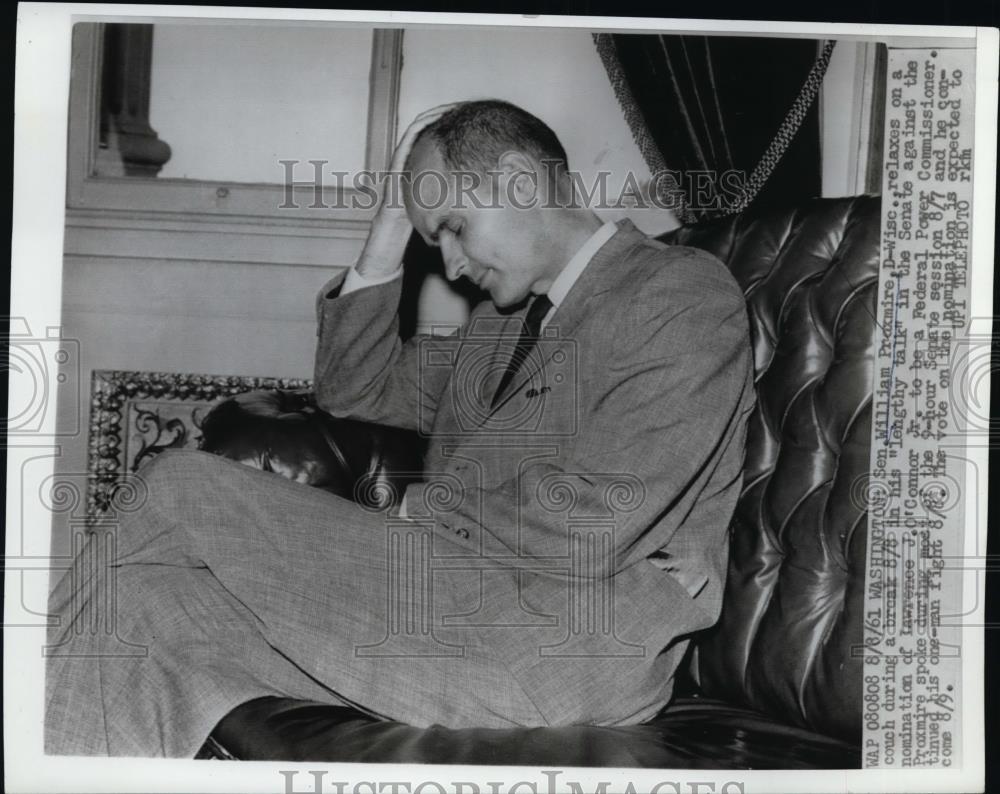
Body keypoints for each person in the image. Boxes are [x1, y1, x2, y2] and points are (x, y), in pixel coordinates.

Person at [45, 100, 755, 757]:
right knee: (140, 606)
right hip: (458, 613)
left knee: (178, 488)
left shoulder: (676, 294)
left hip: (567, 649)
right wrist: (390, 231)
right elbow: (356, 391)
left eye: (452, 228)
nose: (448, 263)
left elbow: (596, 520)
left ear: (516, 182)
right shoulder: (502, 323)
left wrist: (418, 506)